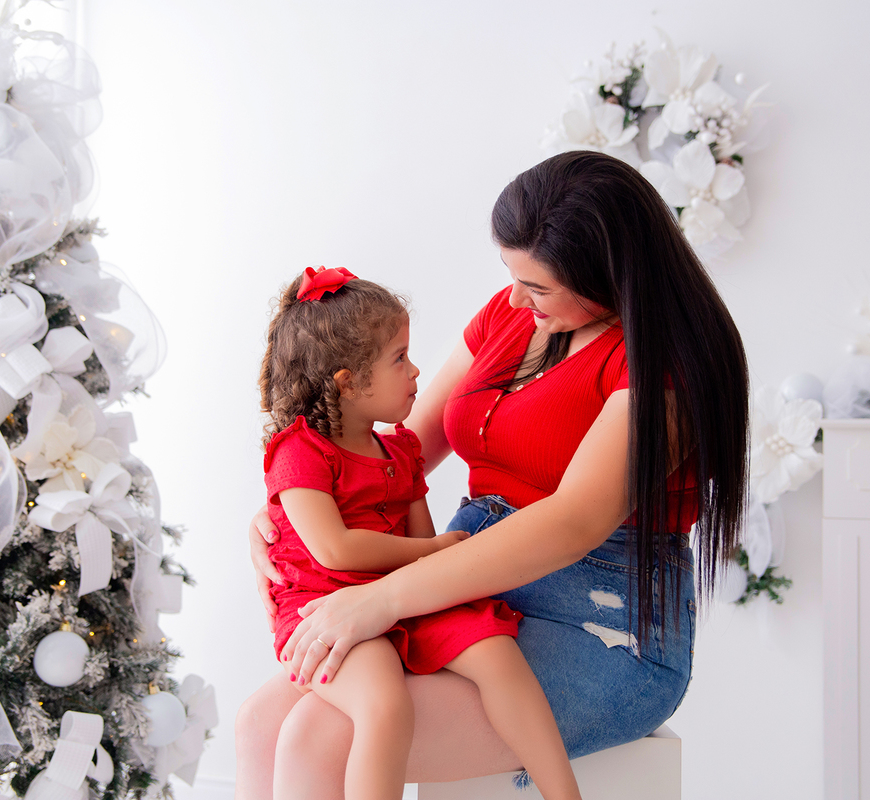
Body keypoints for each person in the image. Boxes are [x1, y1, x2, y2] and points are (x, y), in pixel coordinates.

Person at [237, 151, 749, 800]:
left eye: (537, 286)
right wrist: (292, 505)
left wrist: (382, 599)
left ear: (610, 275)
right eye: (511, 275)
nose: (515, 297)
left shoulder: (665, 368)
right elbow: (391, 447)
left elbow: (572, 524)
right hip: (461, 583)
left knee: (319, 735)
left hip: (597, 619)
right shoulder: (514, 316)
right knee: (260, 726)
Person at [256, 265, 584, 800]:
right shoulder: (299, 452)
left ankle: (563, 794)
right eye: (399, 359)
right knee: (384, 704)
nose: (415, 372)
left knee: (497, 652)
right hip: (326, 600)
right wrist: (433, 550)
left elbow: (419, 548)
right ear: (348, 383)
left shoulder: (401, 451)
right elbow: (335, 550)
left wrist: (430, 558)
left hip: (398, 590)